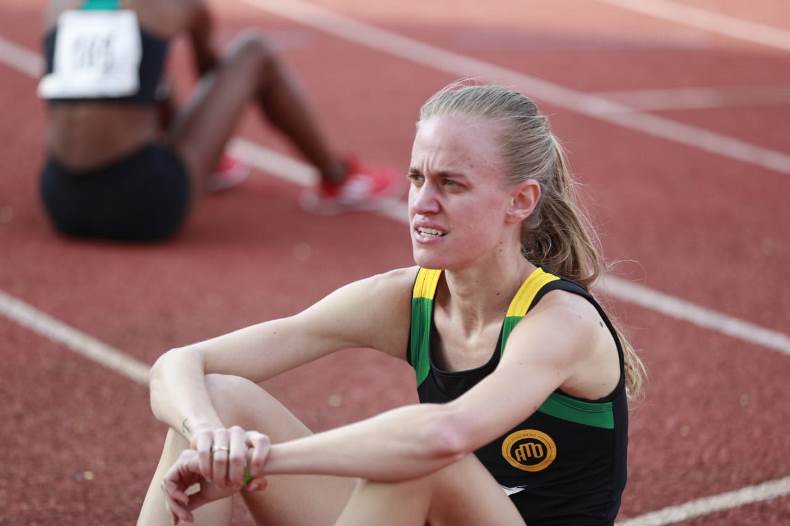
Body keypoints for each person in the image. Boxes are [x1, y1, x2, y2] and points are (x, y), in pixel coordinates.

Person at [137, 82, 646, 526]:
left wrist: (261, 462)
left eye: (451, 183)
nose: (422, 203)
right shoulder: (406, 299)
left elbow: (444, 436)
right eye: (416, 178)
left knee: (427, 461)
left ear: (520, 200)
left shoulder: (562, 322)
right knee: (217, 399)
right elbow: (178, 365)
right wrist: (212, 440)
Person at [38, 0, 396, 242]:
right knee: (254, 52)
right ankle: (338, 178)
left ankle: (210, 167)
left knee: (147, 70)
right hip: (144, 205)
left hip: (60, 200)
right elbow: (210, 73)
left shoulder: (58, 6)